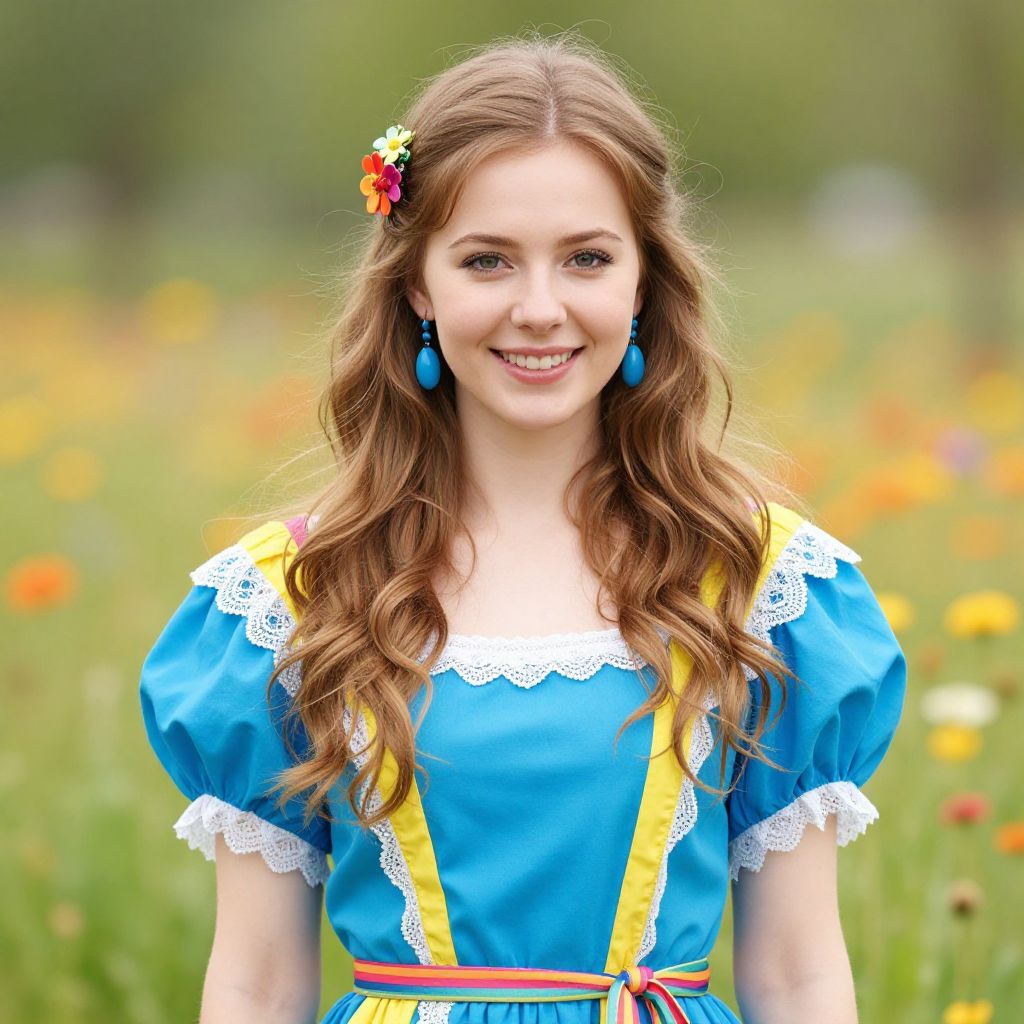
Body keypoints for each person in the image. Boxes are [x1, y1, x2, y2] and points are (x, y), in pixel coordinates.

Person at [138, 32, 908, 1024]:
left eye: (585, 258)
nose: (539, 308)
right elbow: (256, 983)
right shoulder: (286, 599)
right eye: (487, 260)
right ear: (418, 283)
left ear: (641, 284)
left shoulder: (764, 585)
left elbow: (798, 974)